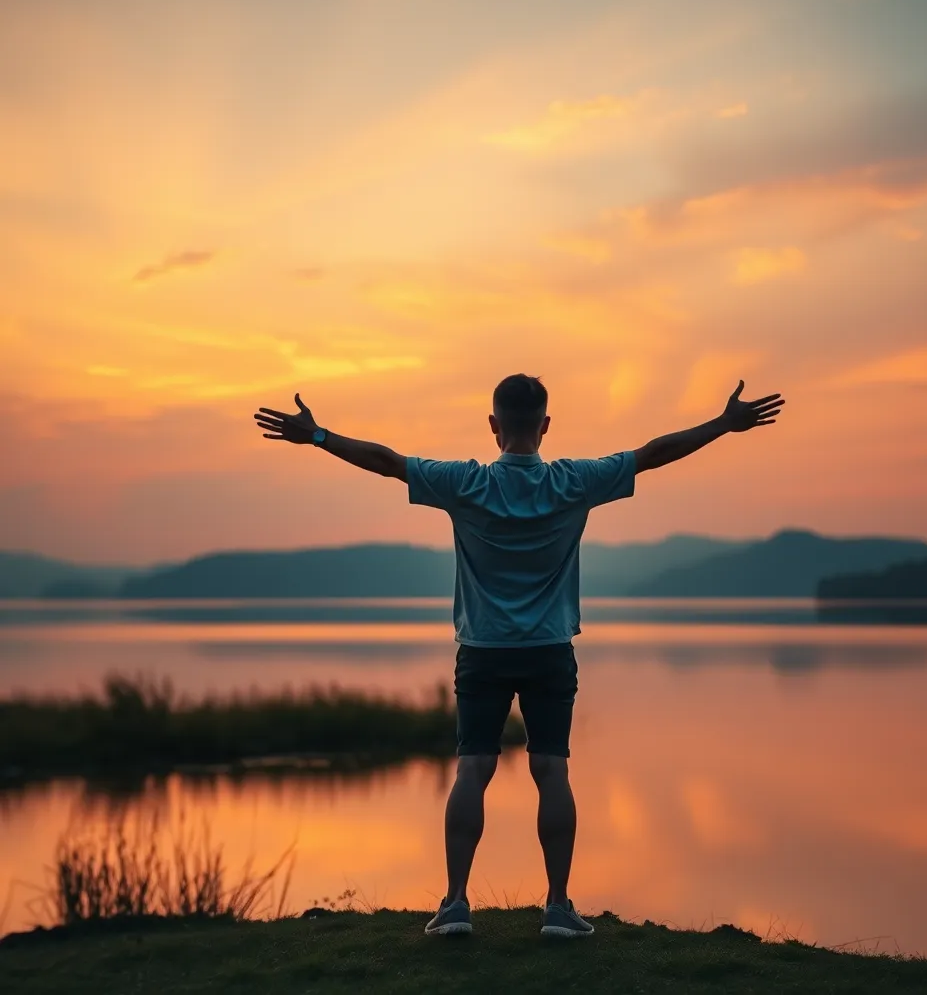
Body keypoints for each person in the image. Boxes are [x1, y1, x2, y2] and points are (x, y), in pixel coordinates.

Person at [254, 373, 784, 938]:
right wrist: (724, 426)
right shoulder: (575, 481)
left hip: (481, 651)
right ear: (546, 425)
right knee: (551, 769)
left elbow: (387, 462)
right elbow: (654, 454)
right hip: (550, 650)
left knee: (473, 768)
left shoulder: (463, 483)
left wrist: (318, 437)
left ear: (493, 425)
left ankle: (456, 906)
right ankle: (557, 909)